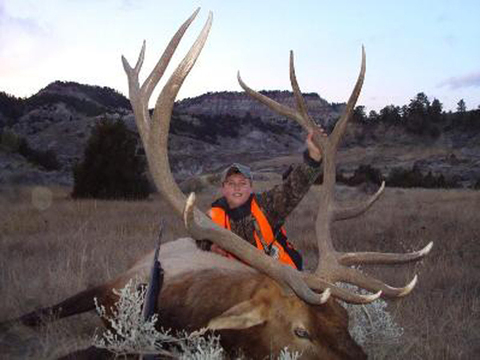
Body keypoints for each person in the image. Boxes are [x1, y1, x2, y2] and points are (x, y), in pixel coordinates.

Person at [199, 129, 325, 270]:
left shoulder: (266, 205)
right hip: (241, 282)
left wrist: (313, 159)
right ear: (223, 189)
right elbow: (198, 240)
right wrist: (210, 247)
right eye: (231, 183)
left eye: (242, 183)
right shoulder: (212, 217)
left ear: (251, 188)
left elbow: (292, 189)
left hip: (283, 277)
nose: (237, 188)